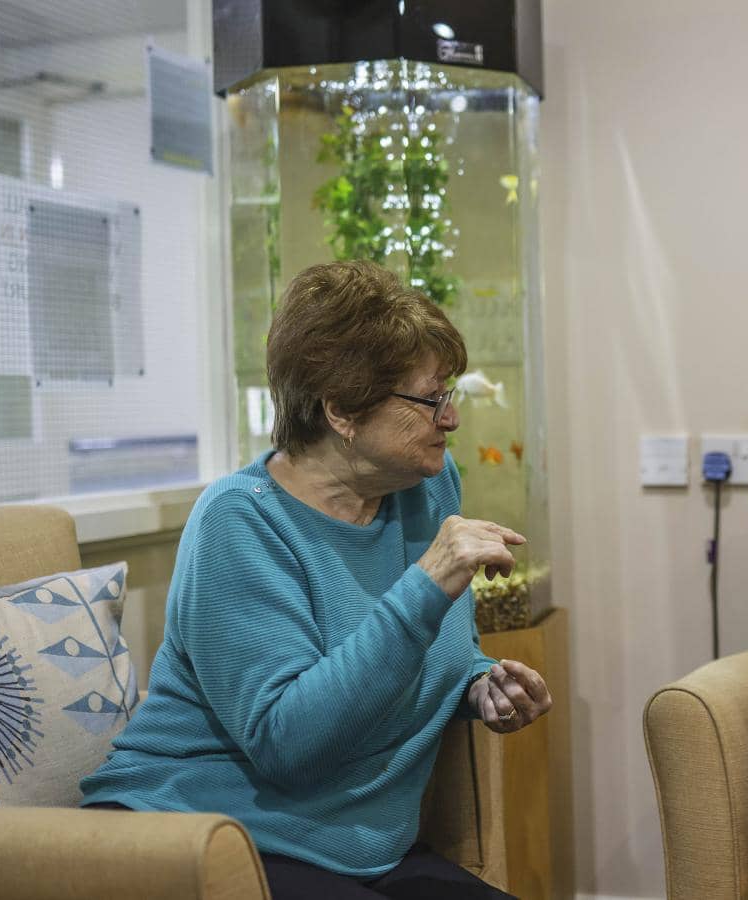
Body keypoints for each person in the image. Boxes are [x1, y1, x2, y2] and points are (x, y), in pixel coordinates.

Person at [81, 260, 551, 900]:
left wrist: (476, 685)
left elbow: (428, 653)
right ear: (341, 410)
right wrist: (428, 580)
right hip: (203, 838)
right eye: (429, 399)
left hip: (355, 849)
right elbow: (289, 745)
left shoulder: (429, 489)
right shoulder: (237, 523)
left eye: (450, 394)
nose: (451, 419)